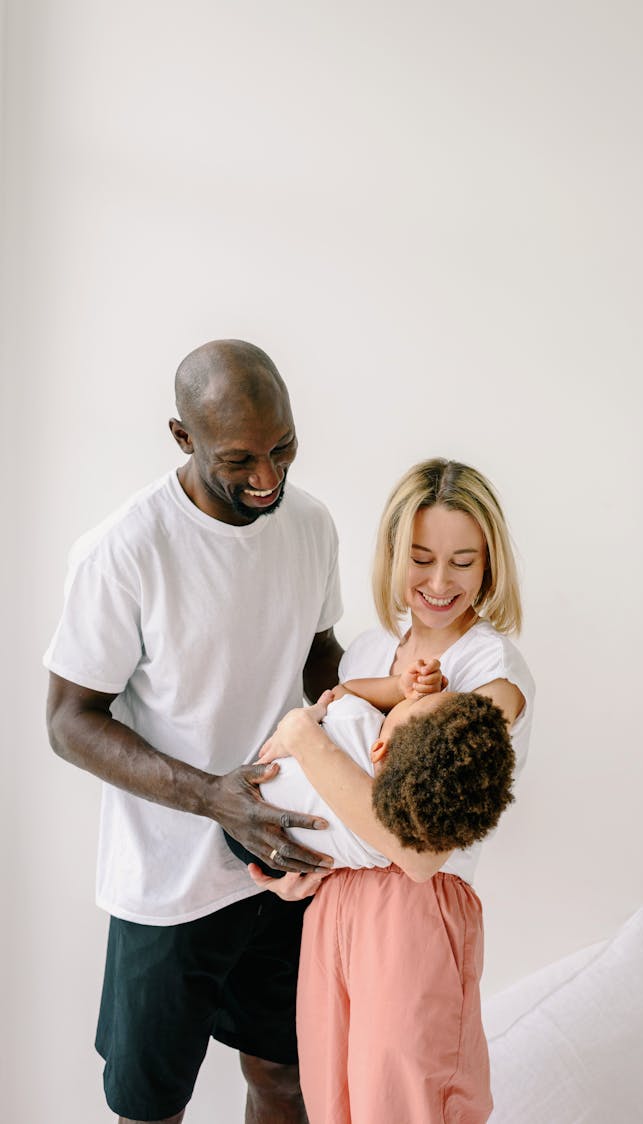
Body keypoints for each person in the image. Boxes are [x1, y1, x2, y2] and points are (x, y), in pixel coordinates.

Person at [43, 339, 344, 1124]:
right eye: (240, 458)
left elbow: (318, 654)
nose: (268, 478)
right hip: (166, 889)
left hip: (286, 864)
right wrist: (216, 799)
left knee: (286, 1083)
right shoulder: (124, 550)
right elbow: (69, 721)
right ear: (184, 437)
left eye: (283, 449)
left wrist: (374, 722)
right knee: (151, 1111)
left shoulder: (310, 524)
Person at [251, 457, 535, 1124]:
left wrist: (305, 738)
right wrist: (289, 873)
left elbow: (417, 853)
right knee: (333, 1107)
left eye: (463, 561)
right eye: (420, 557)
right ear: (390, 556)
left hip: (415, 913)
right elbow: (334, 797)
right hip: (332, 910)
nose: (439, 582)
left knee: (406, 1108)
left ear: (490, 563)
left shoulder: (494, 675)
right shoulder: (368, 656)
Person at [225, 657, 516, 878]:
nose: (419, 695)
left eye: (414, 704)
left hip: (249, 806)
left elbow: (340, 693)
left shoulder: (359, 723)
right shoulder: (390, 837)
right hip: (292, 865)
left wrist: (396, 687)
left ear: (380, 750)